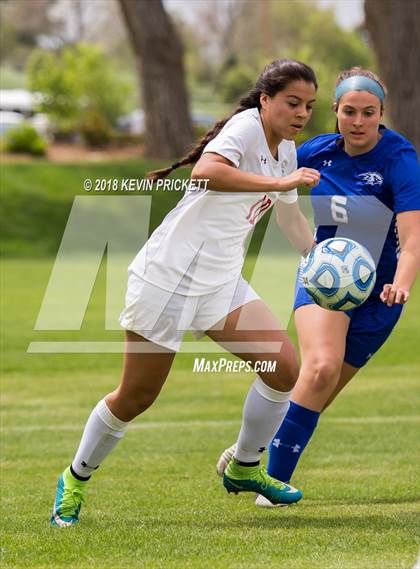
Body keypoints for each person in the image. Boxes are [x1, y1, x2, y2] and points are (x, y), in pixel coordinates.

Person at [50, 59, 322, 526]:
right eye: (292, 102)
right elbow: (206, 172)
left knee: (283, 370)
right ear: (265, 100)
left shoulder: (288, 153)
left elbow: (289, 219)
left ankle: (244, 466)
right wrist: (278, 183)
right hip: (168, 278)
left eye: (309, 106)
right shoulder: (244, 128)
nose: (301, 114)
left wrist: (320, 259)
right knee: (135, 397)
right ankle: (74, 478)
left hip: (221, 284)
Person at [216, 67, 420, 507]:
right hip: (326, 278)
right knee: (320, 369)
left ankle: (249, 452)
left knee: (317, 393)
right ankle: (269, 488)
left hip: (380, 294)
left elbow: (413, 236)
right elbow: (271, 173)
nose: (359, 121)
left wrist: (401, 284)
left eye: (369, 112)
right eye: (350, 111)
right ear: (336, 112)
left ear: (382, 113)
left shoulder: (400, 159)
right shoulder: (313, 151)